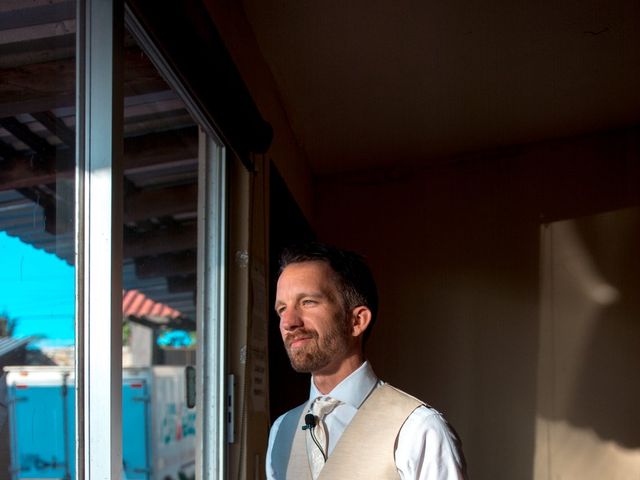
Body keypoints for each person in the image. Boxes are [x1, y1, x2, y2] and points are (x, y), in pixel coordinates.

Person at [266, 243, 467, 480]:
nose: (288, 322)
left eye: (308, 302)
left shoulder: (419, 430)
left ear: (357, 321)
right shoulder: (281, 431)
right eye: (282, 309)